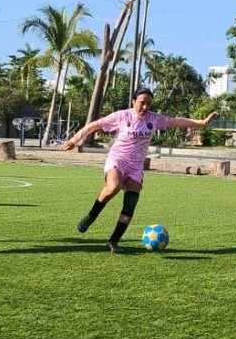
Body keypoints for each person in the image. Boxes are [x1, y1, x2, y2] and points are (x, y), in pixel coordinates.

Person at [62, 88, 218, 254]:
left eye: (148, 104)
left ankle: (113, 242)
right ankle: (91, 216)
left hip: (136, 165)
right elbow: (96, 125)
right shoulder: (123, 116)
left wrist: (201, 123)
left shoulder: (154, 119)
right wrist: (74, 140)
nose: (145, 107)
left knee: (131, 203)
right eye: (142, 102)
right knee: (114, 186)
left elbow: (175, 121)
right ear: (133, 101)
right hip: (118, 158)